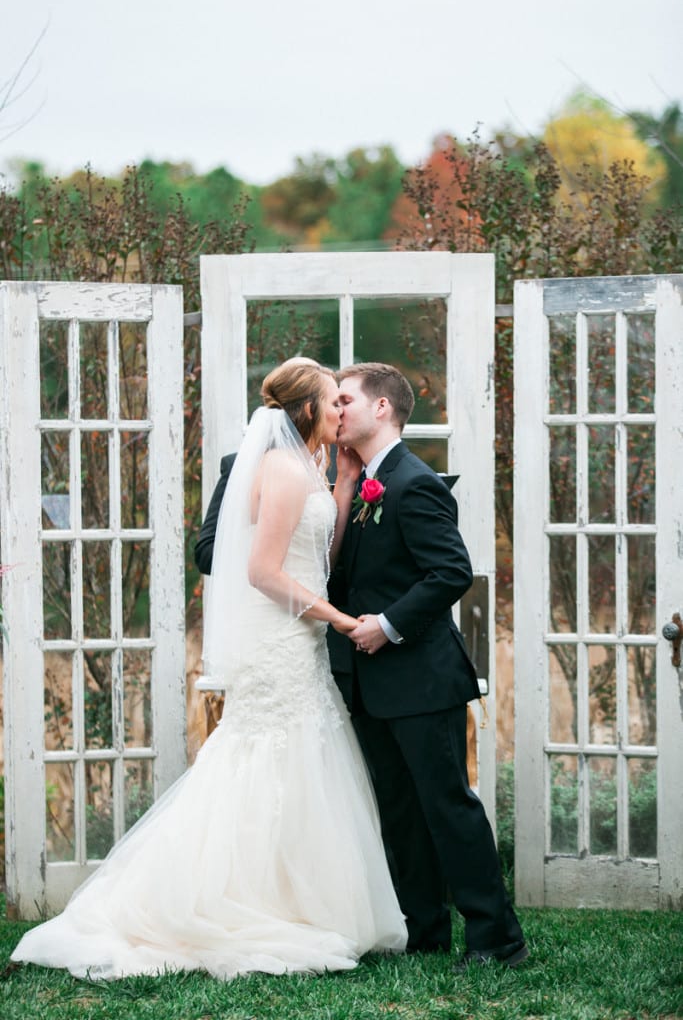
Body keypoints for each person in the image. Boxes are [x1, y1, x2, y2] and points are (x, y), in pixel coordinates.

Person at [11, 360, 407, 980]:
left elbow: (314, 560)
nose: (341, 412)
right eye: (334, 402)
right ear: (308, 410)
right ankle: (223, 900)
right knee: (264, 760)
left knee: (303, 763)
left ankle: (294, 899)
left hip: (296, 637)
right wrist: (338, 619)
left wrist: (345, 490)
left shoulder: (313, 467)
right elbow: (262, 571)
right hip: (279, 639)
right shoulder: (278, 467)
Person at [331, 362, 528, 971]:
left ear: (382, 408)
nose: (335, 410)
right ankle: (425, 931)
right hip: (371, 686)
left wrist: (386, 626)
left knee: (447, 807)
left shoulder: (413, 482)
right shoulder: (363, 483)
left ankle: (497, 937)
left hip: (420, 679)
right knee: (399, 810)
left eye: (345, 400)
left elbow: (450, 572)